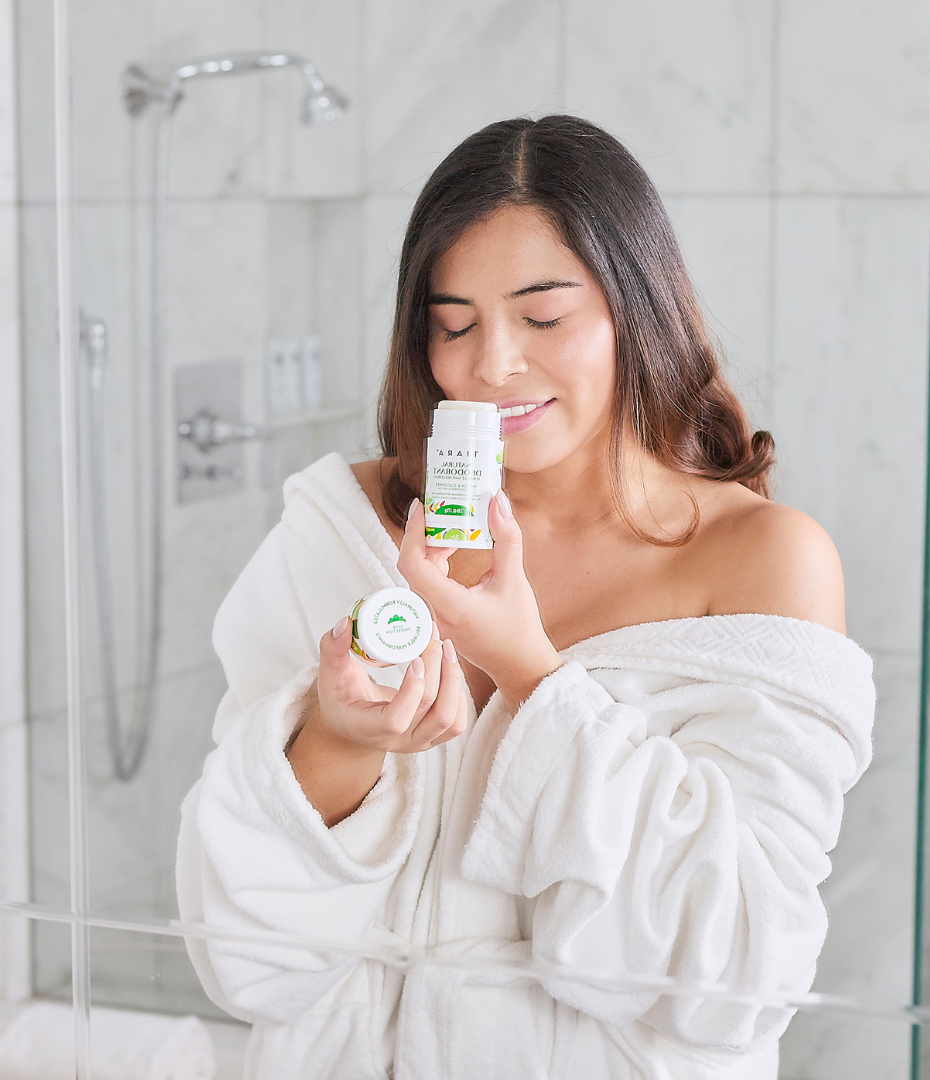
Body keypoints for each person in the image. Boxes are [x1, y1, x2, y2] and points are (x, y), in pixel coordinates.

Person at [177, 115, 875, 1080]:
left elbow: (745, 973)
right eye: (452, 323)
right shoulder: (346, 528)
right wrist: (336, 740)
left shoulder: (761, 560)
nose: (489, 364)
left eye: (543, 318)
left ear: (639, 309)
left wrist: (529, 672)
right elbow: (239, 957)